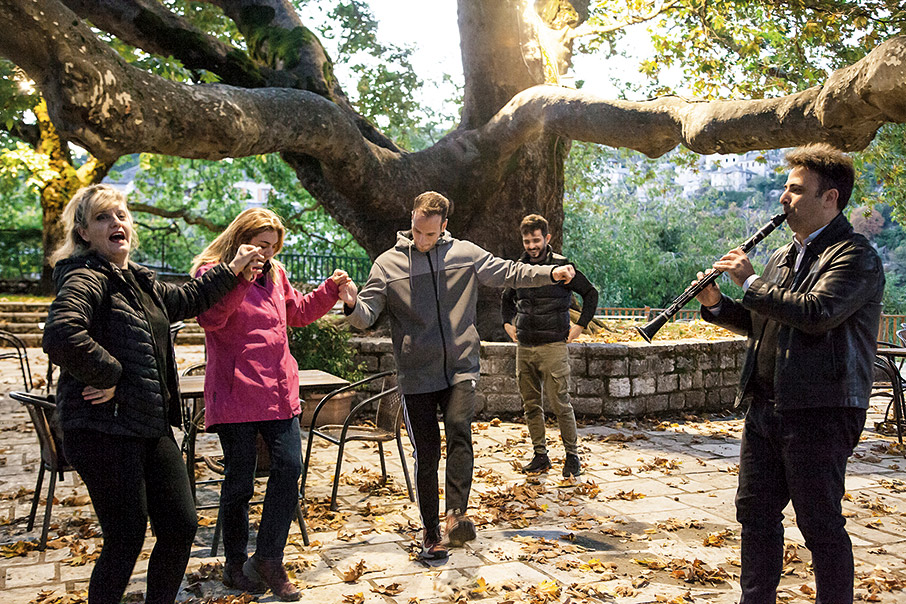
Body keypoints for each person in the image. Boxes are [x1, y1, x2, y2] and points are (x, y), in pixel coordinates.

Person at [43, 185, 262, 604]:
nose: (117, 223)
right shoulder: (85, 275)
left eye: (121, 215)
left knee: (180, 526)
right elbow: (61, 333)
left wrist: (233, 267)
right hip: (101, 430)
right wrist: (110, 376)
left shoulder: (136, 280)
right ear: (85, 232)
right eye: (104, 218)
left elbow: (190, 298)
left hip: (148, 423)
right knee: (125, 538)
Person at [694, 144, 885, 604]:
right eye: (785, 188)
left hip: (821, 409)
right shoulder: (784, 256)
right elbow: (768, 320)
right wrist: (717, 306)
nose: (784, 198)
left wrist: (750, 282)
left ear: (831, 198)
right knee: (755, 513)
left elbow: (817, 313)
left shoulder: (855, 257)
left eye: (796, 190)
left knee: (819, 522)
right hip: (765, 408)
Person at [342, 191, 576, 560]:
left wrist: (550, 272)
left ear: (444, 227)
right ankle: (431, 530)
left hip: (461, 366)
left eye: (431, 234)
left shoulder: (464, 254)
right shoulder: (387, 264)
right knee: (428, 452)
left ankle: (455, 515)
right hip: (416, 372)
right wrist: (352, 300)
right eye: (418, 231)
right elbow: (365, 314)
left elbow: (509, 272)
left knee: (459, 432)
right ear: (413, 219)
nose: (422, 240)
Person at [191, 208, 355, 601]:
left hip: (278, 391)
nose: (267, 253)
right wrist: (238, 276)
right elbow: (212, 319)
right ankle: (234, 563)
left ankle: (268, 557)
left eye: (273, 246)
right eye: (261, 245)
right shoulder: (212, 272)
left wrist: (330, 289)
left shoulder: (276, 274)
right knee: (240, 482)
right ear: (240, 238)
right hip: (235, 393)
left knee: (289, 468)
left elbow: (297, 313)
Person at [501, 214, 598, 477]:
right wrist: (507, 324)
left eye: (536, 240)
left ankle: (572, 456)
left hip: (554, 345)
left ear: (547, 238)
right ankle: (540, 455)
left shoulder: (563, 266)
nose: (531, 246)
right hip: (525, 347)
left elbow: (590, 293)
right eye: (527, 241)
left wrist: (581, 326)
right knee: (530, 405)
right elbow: (506, 299)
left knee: (561, 404)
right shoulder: (518, 268)